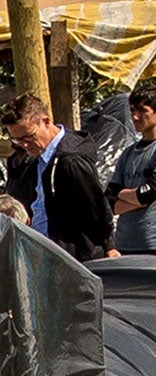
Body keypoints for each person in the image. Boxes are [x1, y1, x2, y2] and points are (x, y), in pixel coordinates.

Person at [2, 93, 112, 260]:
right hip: (40, 253)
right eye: (17, 140)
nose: (24, 145)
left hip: (70, 259)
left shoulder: (70, 162)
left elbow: (98, 212)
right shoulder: (33, 157)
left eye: (29, 137)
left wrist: (109, 246)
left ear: (46, 122)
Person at [107, 80, 156, 258]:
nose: (135, 117)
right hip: (124, 244)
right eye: (133, 110)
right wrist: (135, 197)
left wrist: (124, 194)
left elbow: (152, 192)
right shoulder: (128, 153)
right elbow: (109, 200)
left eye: (143, 111)